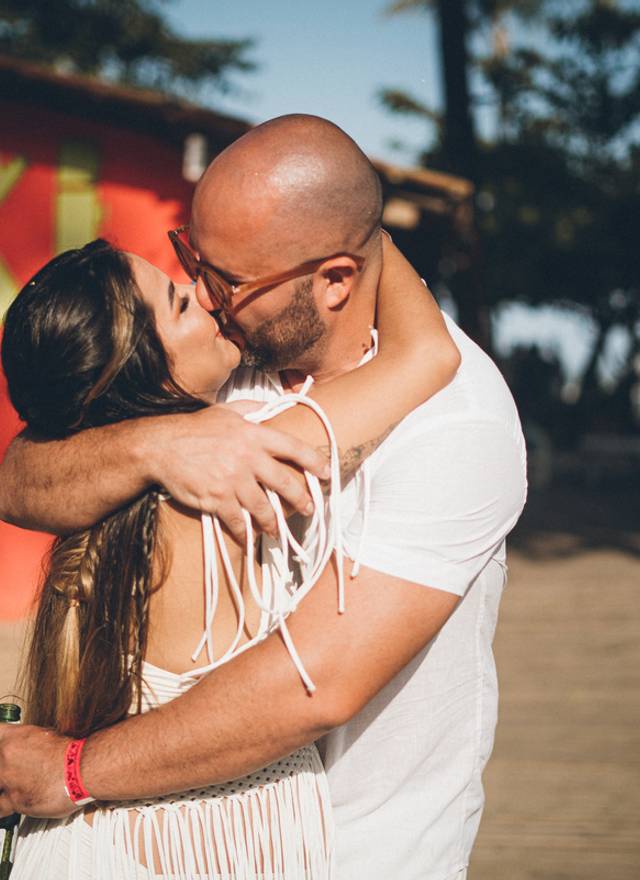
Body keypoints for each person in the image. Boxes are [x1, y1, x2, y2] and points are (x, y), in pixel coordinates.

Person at [0, 115, 527, 880]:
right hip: (182, 843)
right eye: (191, 263)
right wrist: (156, 444)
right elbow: (20, 475)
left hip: (370, 854)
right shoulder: (226, 374)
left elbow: (316, 684)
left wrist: (73, 771)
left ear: (335, 279)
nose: (206, 296)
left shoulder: (456, 419)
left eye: (227, 281)